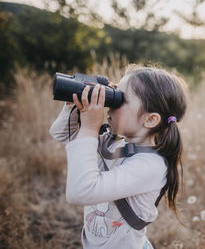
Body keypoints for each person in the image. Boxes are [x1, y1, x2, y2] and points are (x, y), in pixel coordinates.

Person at [49, 65, 188, 249]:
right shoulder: (116, 144)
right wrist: (73, 107)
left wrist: (89, 129)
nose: (110, 103)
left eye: (120, 99)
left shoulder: (150, 166)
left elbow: (80, 192)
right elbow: (61, 134)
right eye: (114, 93)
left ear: (150, 119)